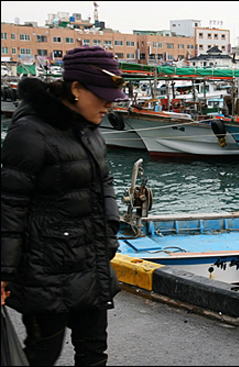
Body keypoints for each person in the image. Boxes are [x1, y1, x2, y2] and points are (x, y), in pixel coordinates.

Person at [1, 46, 128, 366]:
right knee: (43, 354)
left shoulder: (89, 128)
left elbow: (105, 183)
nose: (109, 105)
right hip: (46, 270)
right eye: (102, 95)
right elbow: (10, 204)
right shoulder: (29, 132)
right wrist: (3, 272)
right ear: (76, 89)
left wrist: (110, 231)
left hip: (92, 262)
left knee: (94, 353)